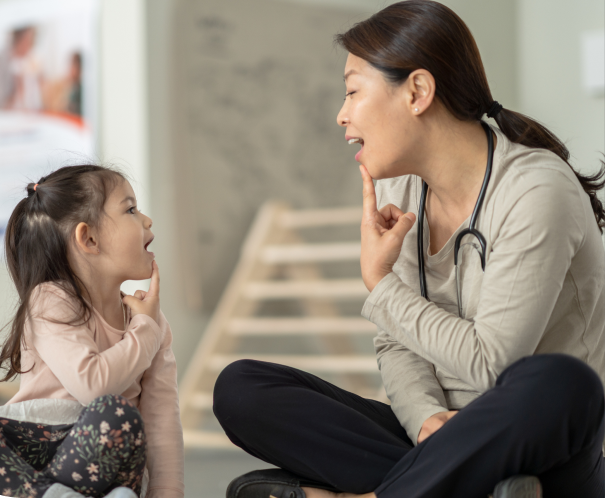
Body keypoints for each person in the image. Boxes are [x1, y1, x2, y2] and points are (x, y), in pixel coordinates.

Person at [213, 1, 605, 497]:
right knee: (242, 388)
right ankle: (452, 485)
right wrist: (424, 421)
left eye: (353, 90)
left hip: (542, 444)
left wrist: (381, 284)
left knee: (562, 383)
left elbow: (493, 364)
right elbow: (396, 342)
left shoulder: (536, 190)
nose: (341, 114)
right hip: (434, 440)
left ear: (417, 91)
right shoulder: (401, 191)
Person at [0, 165, 184, 498]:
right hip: (37, 447)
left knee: (117, 415)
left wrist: (167, 494)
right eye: (131, 209)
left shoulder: (149, 322)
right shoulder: (50, 298)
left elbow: (162, 417)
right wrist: (145, 332)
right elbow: (94, 385)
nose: (147, 220)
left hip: (99, 461)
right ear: (89, 238)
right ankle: (51, 495)